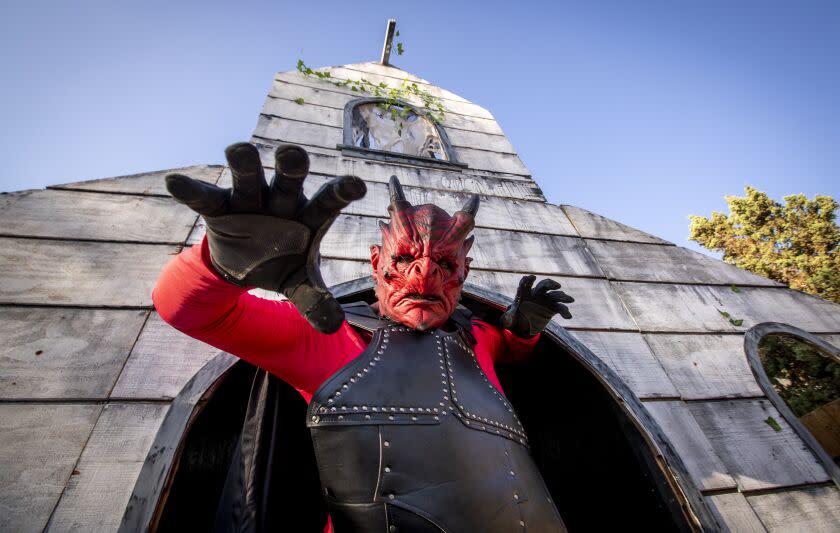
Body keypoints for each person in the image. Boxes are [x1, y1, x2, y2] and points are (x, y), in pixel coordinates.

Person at [155, 142, 575, 532]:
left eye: (445, 264)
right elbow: (188, 310)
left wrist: (523, 330)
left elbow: (511, 354)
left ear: (465, 271)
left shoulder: (477, 334)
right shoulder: (325, 334)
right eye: (407, 257)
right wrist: (220, 263)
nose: (425, 273)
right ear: (377, 261)